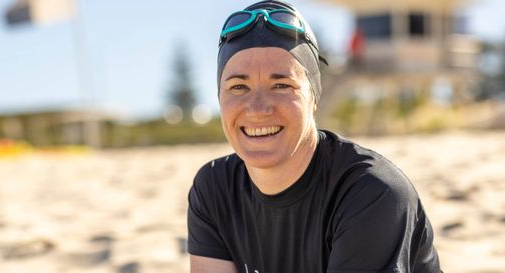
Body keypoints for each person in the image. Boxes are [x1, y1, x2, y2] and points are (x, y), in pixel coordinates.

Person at [187, 1, 442, 272]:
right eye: (239, 87)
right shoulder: (215, 189)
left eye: (281, 85)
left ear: (313, 97)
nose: (259, 108)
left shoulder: (371, 192)